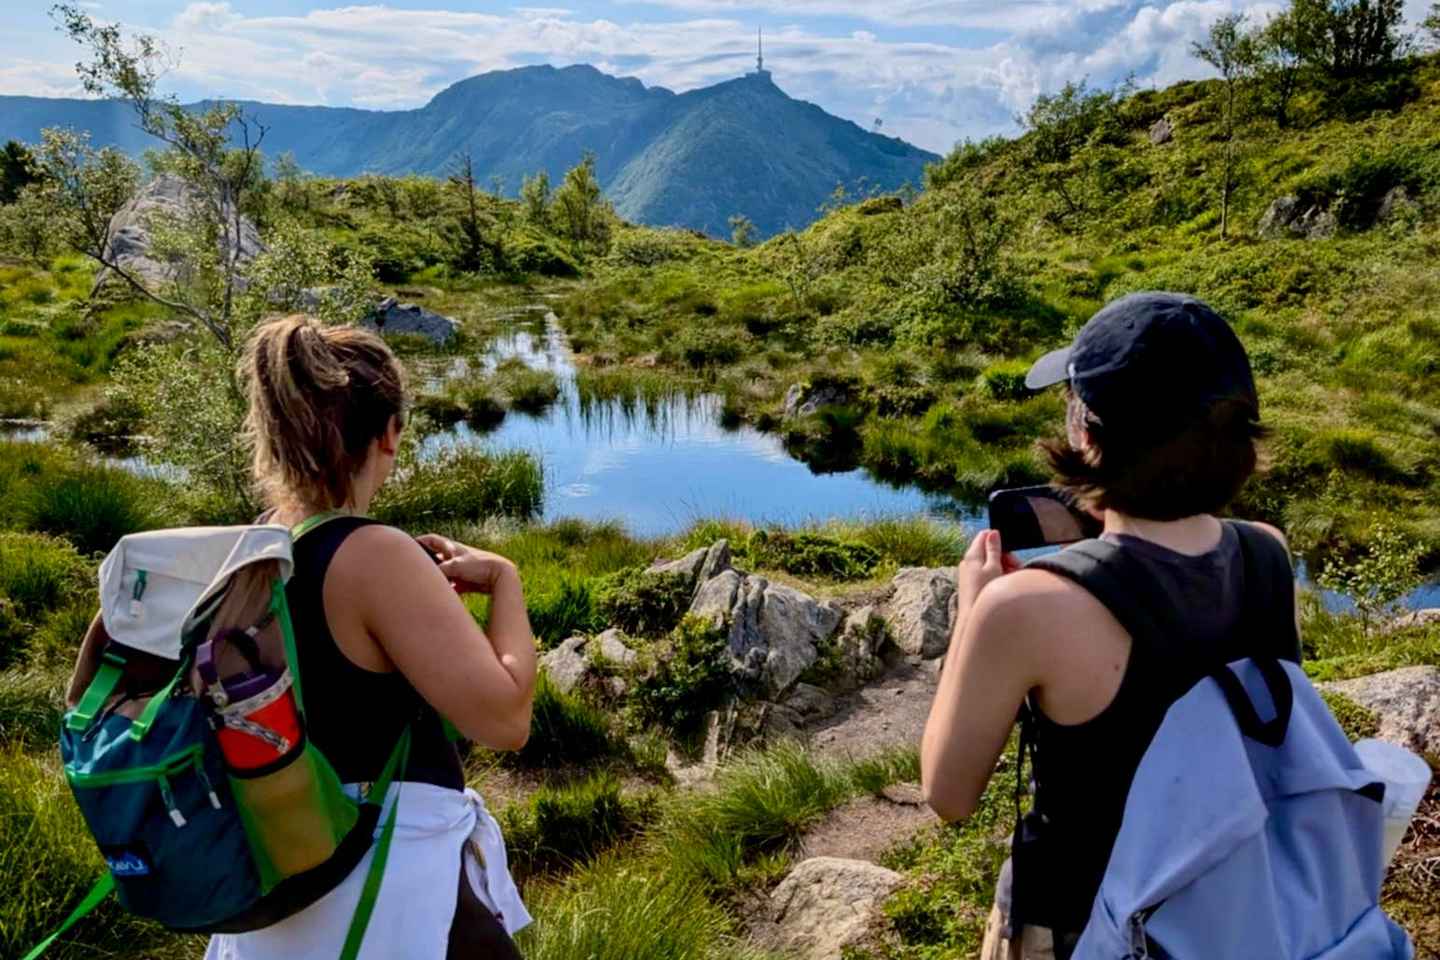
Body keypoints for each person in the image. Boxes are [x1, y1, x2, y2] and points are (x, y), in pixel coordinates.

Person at [920, 292, 1301, 960]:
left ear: (1088, 437)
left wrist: (973, 612)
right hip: (1228, 913)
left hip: (1079, 923)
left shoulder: (1026, 609)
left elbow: (947, 795)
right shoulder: (1267, 554)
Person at [206, 315, 537, 960]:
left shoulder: (254, 557)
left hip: (283, 864)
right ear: (388, 433)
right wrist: (506, 581)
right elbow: (507, 718)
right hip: (379, 879)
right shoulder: (373, 555)